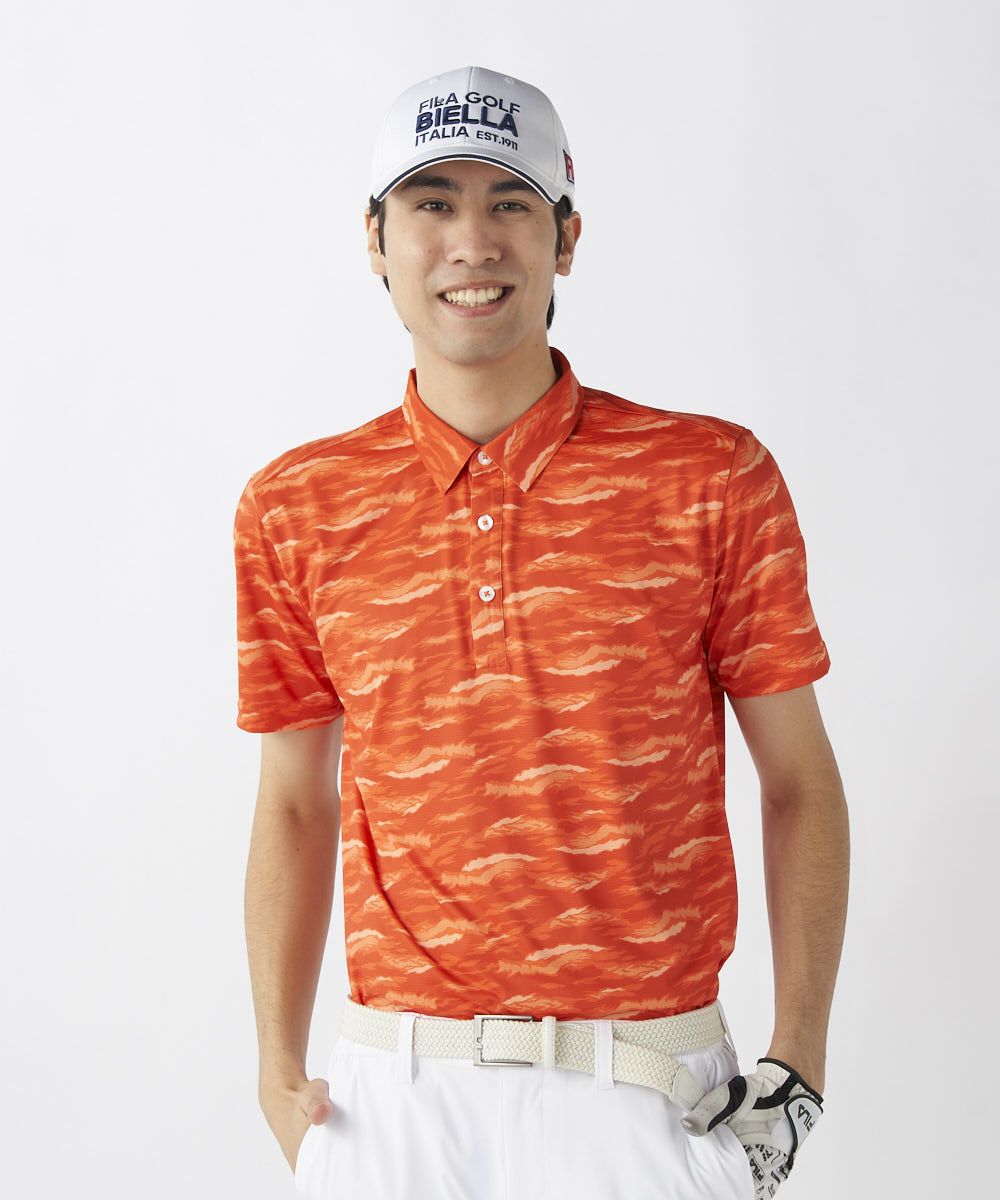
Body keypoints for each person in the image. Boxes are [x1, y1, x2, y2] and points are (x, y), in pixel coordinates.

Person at [233, 64, 849, 1200]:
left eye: (509, 202)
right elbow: (293, 803)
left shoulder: (710, 478)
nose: (472, 241)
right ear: (374, 240)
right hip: (397, 1104)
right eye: (432, 203)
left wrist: (797, 1061)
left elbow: (799, 781)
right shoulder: (297, 506)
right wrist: (277, 1070)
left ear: (565, 238)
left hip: (649, 1095)